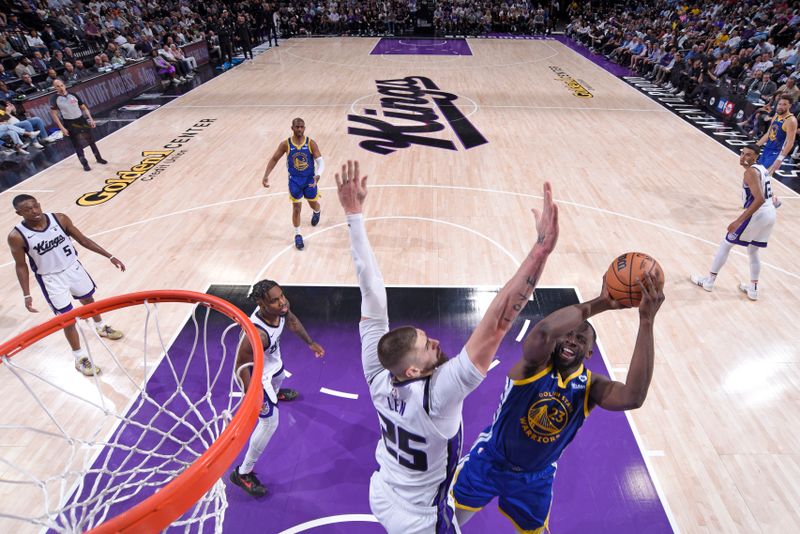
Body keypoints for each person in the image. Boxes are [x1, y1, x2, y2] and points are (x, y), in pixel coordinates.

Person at [336, 160, 558, 532]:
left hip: (384, 491)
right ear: (412, 371)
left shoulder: (378, 373)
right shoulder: (436, 396)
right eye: (426, 346)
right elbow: (497, 324)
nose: (436, 341)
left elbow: (370, 289)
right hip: (419, 518)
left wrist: (354, 215)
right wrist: (540, 252)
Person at [452, 276, 663, 532]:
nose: (572, 340)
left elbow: (634, 397)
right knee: (441, 525)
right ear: (556, 341)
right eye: (567, 335)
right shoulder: (533, 366)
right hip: (489, 463)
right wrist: (601, 303)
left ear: (589, 353)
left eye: (581, 339)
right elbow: (542, 332)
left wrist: (646, 321)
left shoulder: (591, 386)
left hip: (535, 479)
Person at [7, 195, 125, 376]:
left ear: (39, 204)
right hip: (51, 279)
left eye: (35, 206)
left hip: (74, 268)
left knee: (89, 300)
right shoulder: (17, 236)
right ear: (19, 213)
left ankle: (101, 327)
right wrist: (26, 294)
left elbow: (83, 240)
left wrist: (110, 256)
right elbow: (21, 266)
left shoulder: (59, 219)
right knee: (67, 319)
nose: (34, 211)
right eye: (27, 210)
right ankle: (79, 358)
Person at [229, 279, 325, 496]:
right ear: (262, 306)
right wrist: (253, 396)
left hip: (269, 361)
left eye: (282, 295)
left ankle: (277, 392)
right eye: (275, 301)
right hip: (253, 375)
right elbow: (241, 367)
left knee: (280, 373)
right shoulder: (257, 334)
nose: (282, 302)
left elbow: (290, 321)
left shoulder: (281, 310)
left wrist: (309, 342)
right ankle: (243, 473)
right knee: (270, 423)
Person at [691, 144, 776, 301]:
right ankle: (753, 289)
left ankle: (709, 281)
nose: (744, 157)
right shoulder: (761, 169)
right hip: (770, 213)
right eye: (742, 153)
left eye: (749, 155)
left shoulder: (751, 172)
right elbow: (767, 195)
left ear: (756, 157)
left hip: (758, 213)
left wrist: (738, 221)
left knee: (726, 244)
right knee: (753, 250)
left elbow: (759, 199)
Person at [261, 118, 324, 250]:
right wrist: (266, 175)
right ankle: (298, 235)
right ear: (292, 128)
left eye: (302, 127)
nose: (299, 129)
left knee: (313, 203)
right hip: (294, 181)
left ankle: (317, 211)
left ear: (304, 128)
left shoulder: (311, 143)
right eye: (297, 127)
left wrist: (317, 176)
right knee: (296, 208)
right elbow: (274, 159)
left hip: (309, 180)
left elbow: (320, 161)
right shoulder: (286, 144)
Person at [49, 79, 108, 171]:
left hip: (81, 120)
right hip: (69, 123)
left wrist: (90, 119)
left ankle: (98, 158)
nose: (60, 88)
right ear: (55, 88)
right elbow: (54, 115)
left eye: (61, 85)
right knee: (77, 144)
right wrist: (62, 128)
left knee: (90, 140)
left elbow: (84, 108)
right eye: (57, 86)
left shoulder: (73, 95)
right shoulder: (54, 99)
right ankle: (84, 163)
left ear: (64, 85)